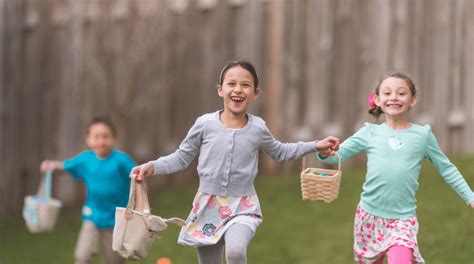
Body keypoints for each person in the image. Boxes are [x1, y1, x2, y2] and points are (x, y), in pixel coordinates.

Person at [131, 60, 340, 264]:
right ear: (220, 90)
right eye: (231, 84)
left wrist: (315, 145)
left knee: (236, 252)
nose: (238, 89)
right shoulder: (204, 125)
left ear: (255, 93)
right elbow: (181, 157)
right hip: (207, 207)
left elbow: (281, 152)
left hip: (243, 206)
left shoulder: (258, 128)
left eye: (245, 85)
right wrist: (153, 166)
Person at [318, 72, 474, 264]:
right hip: (369, 218)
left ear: (413, 100)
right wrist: (325, 153)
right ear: (378, 100)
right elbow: (338, 157)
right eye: (387, 93)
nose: (394, 97)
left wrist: (471, 197)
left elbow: (446, 168)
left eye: (401, 93)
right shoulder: (370, 132)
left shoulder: (422, 136)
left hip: (402, 220)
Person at [41, 117, 136, 264]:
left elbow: (139, 179)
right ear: (88, 139)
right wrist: (51, 166)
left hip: (117, 218)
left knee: (114, 260)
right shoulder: (86, 160)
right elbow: (66, 166)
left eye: (106, 136)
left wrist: (140, 206)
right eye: (96, 137)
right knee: (82, 256)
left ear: (114, 138)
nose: (101, 141)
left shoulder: (122, 161)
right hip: (92, 215)